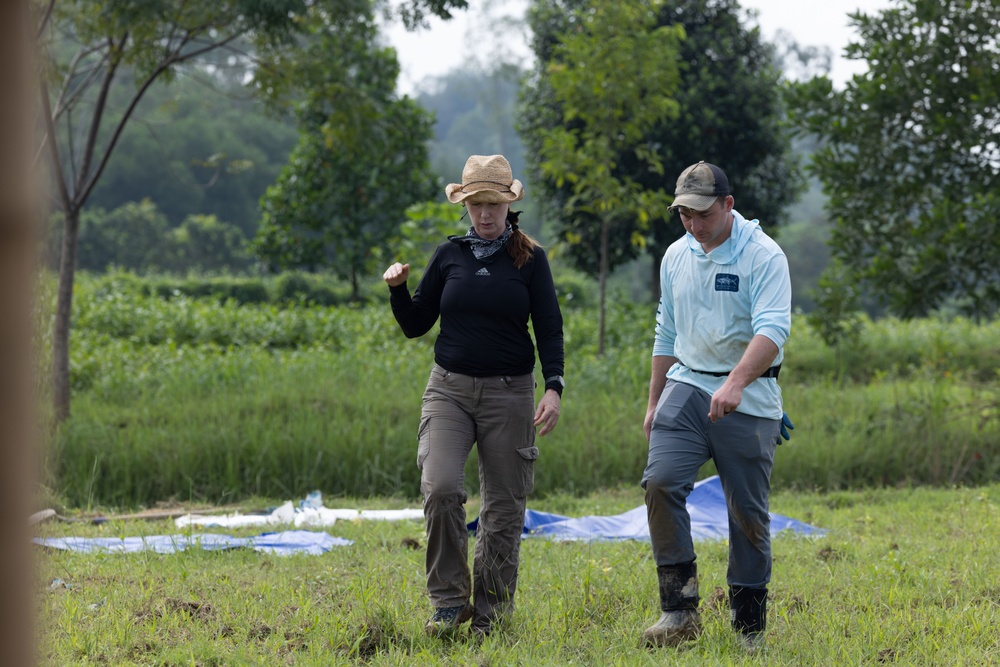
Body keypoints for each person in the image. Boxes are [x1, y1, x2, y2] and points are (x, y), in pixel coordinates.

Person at [383, 154, 565, 639]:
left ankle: (491, 614)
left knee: (504, 507)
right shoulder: (449, 256)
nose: (485, 214)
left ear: (508, 205)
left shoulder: (530, 259)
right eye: (476, 204)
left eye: (493, 204)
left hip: (510, 395)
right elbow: (416, 325)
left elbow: (548, 327)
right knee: (441, 487)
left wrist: (553, 386)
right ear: (464, 205)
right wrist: (398, 290)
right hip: (449, 391)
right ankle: (448, 603)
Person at [640, 161, 791, 652]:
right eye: (684, 214)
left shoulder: (763, 256)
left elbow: (773, 330)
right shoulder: (675, 255)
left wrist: (736, 383)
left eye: (702, 214)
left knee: (746, 512)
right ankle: (678, 611)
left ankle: (749, 629)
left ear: (728, 205)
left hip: (749, 396)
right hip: (685, 385)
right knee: (660, 482)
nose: (693, 224)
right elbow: (666, 331)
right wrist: (654, 400)